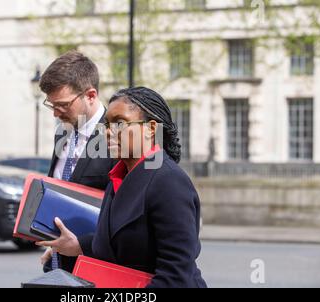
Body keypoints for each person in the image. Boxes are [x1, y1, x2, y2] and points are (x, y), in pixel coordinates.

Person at [37, 87, 207, 288]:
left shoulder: (169, 182)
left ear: (151, 129)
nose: (108, 132)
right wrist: (78, 245)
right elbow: (119, 242)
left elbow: (175, 275)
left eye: (120, 123)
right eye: (107, 124)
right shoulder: (118, 177)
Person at [39, 51, 116, 273]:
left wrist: (80, 246)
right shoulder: (61, 134)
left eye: (62, 104)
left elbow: (122, 219)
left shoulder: (118, 138)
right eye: (51, 104)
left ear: (90, 95)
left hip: (95, 269)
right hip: (57, 265)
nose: (55, 113)